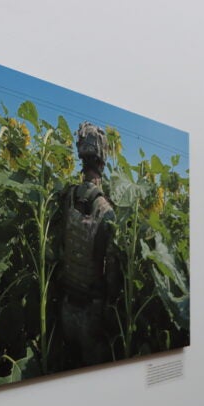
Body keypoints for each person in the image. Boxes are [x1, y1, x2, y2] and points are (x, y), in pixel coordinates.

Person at [60, 122, 117, 366]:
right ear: (103, 160)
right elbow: (112, 271)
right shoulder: (106, 210)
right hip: (90, 313)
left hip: (65, 305)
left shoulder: (67, 197)